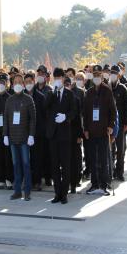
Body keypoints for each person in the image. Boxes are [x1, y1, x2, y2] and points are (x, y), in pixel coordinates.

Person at [83, 65, 116, 196]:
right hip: (91, 131)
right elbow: (85, 113)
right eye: (94, 76)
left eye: (99, 76)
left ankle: (104, 184)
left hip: (103, 131)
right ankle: (94, 184)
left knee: (103, 159)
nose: (97, 78)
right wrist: (85, 128)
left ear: (102, 78)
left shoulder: (107, 91)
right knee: (92, 158)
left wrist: (111, 125)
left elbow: (113, 111)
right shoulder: (89, 92)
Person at [45, 68, 76, 204]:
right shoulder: (51, 93)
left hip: (65, 135)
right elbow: (45, 106)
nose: (57, 80)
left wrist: (66, 117)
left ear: (64, 78)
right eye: (55, 78)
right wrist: (53, 92)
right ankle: (57, 193)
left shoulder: (70, 94)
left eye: (59, 77)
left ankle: (64, 193)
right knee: (54, 166)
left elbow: (74, 111)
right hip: (53, 134)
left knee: (66, 165)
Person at [3, 74, 36, 201]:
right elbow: (6, 119)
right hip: (12, 138)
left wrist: (31, 135)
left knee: (26, 164)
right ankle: (17, 191)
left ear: (23, 84)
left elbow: (33, 119)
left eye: (19, 82)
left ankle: (27, 191)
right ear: (12, 84)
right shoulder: (9, 100)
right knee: (16, 165)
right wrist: (5, 134)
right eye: (15, 82)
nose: (17, 84)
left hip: (24, 138)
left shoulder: (28, 99)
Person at [24, 72, 46, 191]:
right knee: (27, 158)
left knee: (37, 158)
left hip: (38, 133)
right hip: (25, 133)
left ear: (34, 82)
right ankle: (28, 180)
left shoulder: (41, 97)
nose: (28, 84)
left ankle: (37, 181)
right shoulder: (22, 96)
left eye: (30, 82)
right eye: (26, 82)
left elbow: (44, 116)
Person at [109, 65, 127, 181]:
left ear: (118, 75)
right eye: (111, 72)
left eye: (115, 73)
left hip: (120, 124)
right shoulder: (106, 87)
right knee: (110, 148)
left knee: (120, 149)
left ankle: (119, 172)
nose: (112, 75)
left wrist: (126, 122)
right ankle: (111, 171)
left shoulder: (123, 88)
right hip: (109, 124)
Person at [64, 77, 83, 194]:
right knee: (65, 161)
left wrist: (79, 135)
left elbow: (78, 119)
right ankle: (66, 183)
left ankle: (74, 183)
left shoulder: (76, 99)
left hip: (74, 134)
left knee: (75, 160)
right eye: (64, 84)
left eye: (68, 84)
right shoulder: (58, 99)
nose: (66, 86)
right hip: (62, 135)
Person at [35, 64, 53, 186]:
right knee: (37, 154)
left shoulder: (49, 90)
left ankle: (48, 177)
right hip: (35, 127)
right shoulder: (33, 89)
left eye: (42, 74)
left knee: (48, 154)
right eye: (39, 74)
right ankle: (38, 176)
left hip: (46, 127)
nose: (40, 76)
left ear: (46, 76)